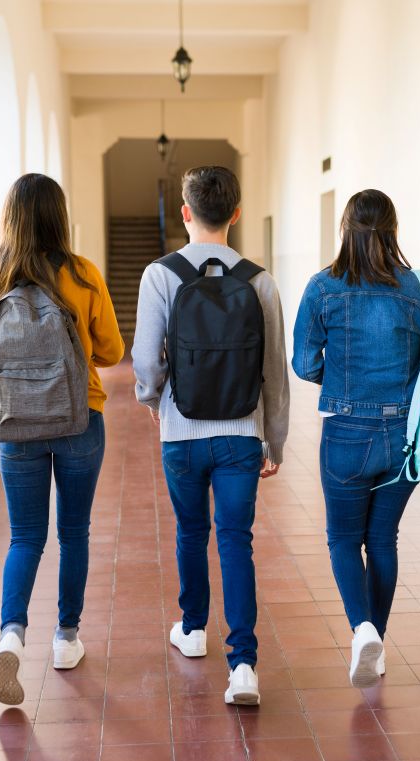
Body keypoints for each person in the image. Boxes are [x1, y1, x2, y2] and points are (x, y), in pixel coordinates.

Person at [133, 165, 289, 706]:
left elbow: (146, 360)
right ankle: (243, 665)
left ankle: (193, 629)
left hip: (182, 432)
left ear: (185, 211)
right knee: (236, 540)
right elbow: (274, 369)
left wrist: (154, 402)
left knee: (189, 530)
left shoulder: (161, 274)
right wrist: (276, 439)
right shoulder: (259, 280)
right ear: (236, 213)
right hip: (242, 433)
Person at [0, 173, 124, 705]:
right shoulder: (82, 275)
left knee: (24, 536)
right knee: (73, 532)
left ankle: (12, 633)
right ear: (59, 216)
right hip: (80, 419)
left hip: (16, 427)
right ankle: (66, 638)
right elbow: (110, 350)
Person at [292, 189, 420, 689]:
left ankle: (362, 630)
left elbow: (305, 363)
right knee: (382, 539)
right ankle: (376, 648)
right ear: (393, 230)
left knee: (342, 538)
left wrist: (343, 380)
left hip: (346, 434)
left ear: (345, 230)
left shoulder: (323, 287)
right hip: (405, 434)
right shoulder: (417, 287)